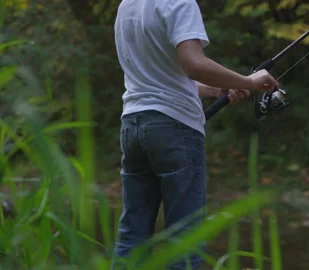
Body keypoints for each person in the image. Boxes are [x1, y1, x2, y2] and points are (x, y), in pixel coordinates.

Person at [111, 0, 279, 269]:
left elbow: (162, 74)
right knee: (184, 238)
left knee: (133, 235)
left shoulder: (127, 5)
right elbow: (194, 64)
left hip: (132, 125)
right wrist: (249, 82)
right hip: (174, 129)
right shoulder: (180, 2)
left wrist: (218, 88)